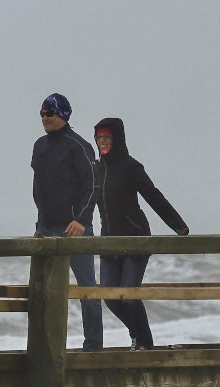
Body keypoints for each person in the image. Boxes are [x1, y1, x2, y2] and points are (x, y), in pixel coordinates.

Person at [93, 118, 189, 350]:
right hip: (109, 241)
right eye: (98, 138)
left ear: (117, 139)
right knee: (109, 295)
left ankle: (144, 344)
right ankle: (137, 334)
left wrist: (178, 225)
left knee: (130, 294)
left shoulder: (130, 167)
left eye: (106, 137)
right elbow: (83, 201)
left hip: (135, 237)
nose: (102, 142)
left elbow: (153, 196)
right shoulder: (96, 170)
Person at [31, 93, 102, 351]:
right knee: (42, 290)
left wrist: (81, 220)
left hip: (74, 230)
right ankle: (44, 346)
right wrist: (40, 222)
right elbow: (39, 186)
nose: (44, 118)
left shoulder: (79, 146)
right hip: (45, 228)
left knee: (87, 290)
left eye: (49, 113)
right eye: (41, 114)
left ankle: (93, 346)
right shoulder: (39, 145)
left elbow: (93, 185)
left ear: (62, 114)